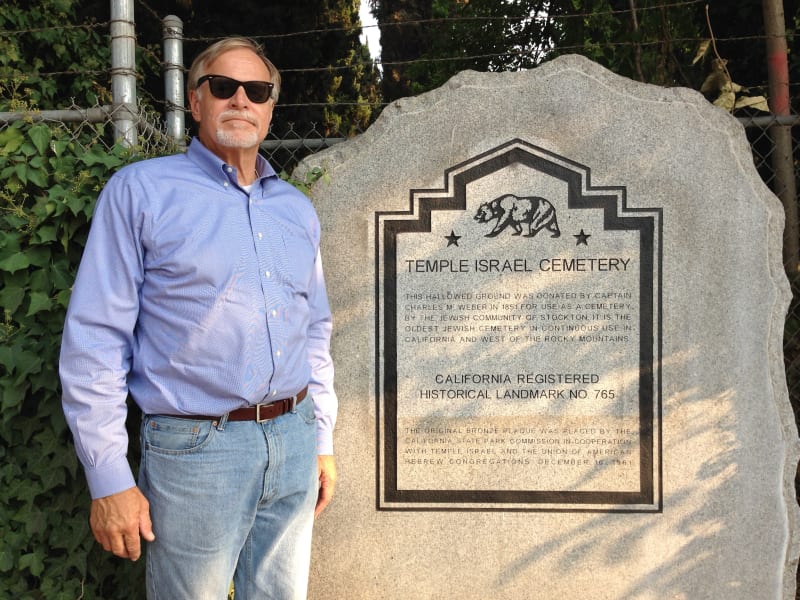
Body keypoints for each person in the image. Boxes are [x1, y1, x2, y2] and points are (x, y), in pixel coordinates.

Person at [59, 36, 337, 599]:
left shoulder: (296, 211)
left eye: (256, 90)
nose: (241, 100)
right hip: (196, 452)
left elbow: (314, 330)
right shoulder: (140, 193)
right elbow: (96, 337)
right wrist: (109, 476)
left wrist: (322, 439)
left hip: (293, 441)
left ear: (270, 107)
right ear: (195, 101)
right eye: (223, 87)